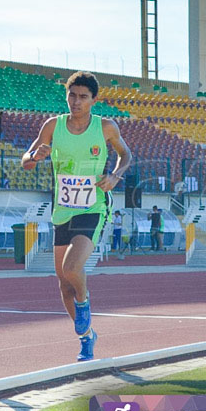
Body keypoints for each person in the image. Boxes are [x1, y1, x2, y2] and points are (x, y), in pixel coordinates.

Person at [21, 72, 132, 361]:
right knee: (63, 282)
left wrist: (116, 175)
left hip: (93, 207)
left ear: (94, 100)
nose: (76, 101)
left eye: (83, 97)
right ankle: (86, 337)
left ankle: (84, 304)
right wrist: (36, 156)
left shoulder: (105, 127)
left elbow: (125, 154)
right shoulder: (52, 126)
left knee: (72, 269)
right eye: (72, 95)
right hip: (63, 210)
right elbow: (26, 162)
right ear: (66, 96)